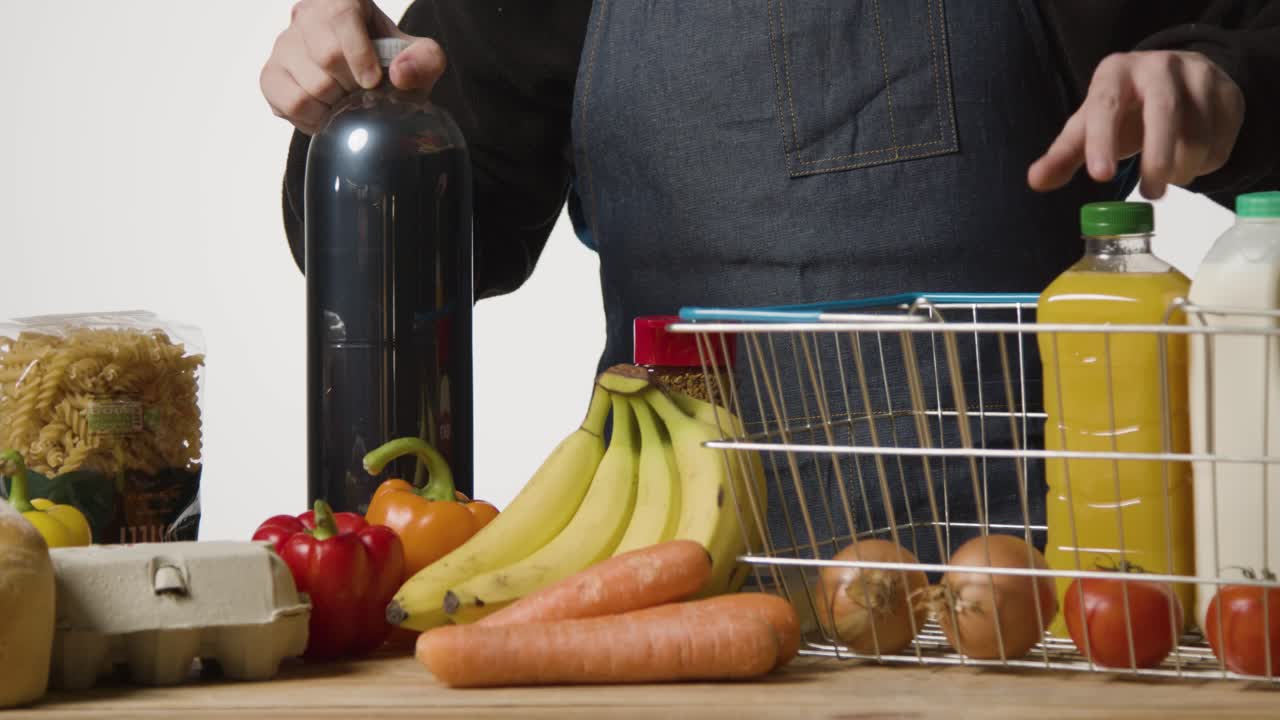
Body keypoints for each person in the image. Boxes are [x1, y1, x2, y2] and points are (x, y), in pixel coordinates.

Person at [262, 1, 1280, 560]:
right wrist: (354, 122)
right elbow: (431, 247)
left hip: (1043, 596)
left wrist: (1220, 88)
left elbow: (1253, 43)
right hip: (680, 587)